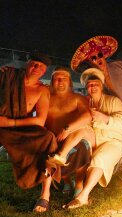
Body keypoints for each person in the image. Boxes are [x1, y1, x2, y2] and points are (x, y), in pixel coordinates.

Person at [0, 52, 58, 217]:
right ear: (27, 63)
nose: (37, 68)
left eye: (41, 67)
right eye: (34, 64)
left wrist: (9, 122)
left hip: (20, 128)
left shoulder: (42, 90)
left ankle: (45, 194)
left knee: (48, 139)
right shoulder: (6, 75)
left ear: (45, 71)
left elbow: (40, 120)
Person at [63, 68, 122, 209]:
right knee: (78, 149)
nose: (92, 87)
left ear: (102, 86)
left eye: (95, 84)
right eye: (89, 84)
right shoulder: (85, 102)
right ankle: (72, 182)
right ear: (86, 87)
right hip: (94, 141)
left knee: (99, 159)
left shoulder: (113, 101)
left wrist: (104, 118)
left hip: (114, 141)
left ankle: (83, 196)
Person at [43, 66, 93, 208]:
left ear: (70, 82)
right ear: (52, 81)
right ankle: (66, 181)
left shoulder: (78, 98)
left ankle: (78, 183)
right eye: (56, 78)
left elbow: (87, 116)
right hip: (52, 137)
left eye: (64, 78)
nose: (60, 81)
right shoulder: (46, 97)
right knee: (52, 151)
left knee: (83, 147)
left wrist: (67, 129)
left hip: (74, 138)